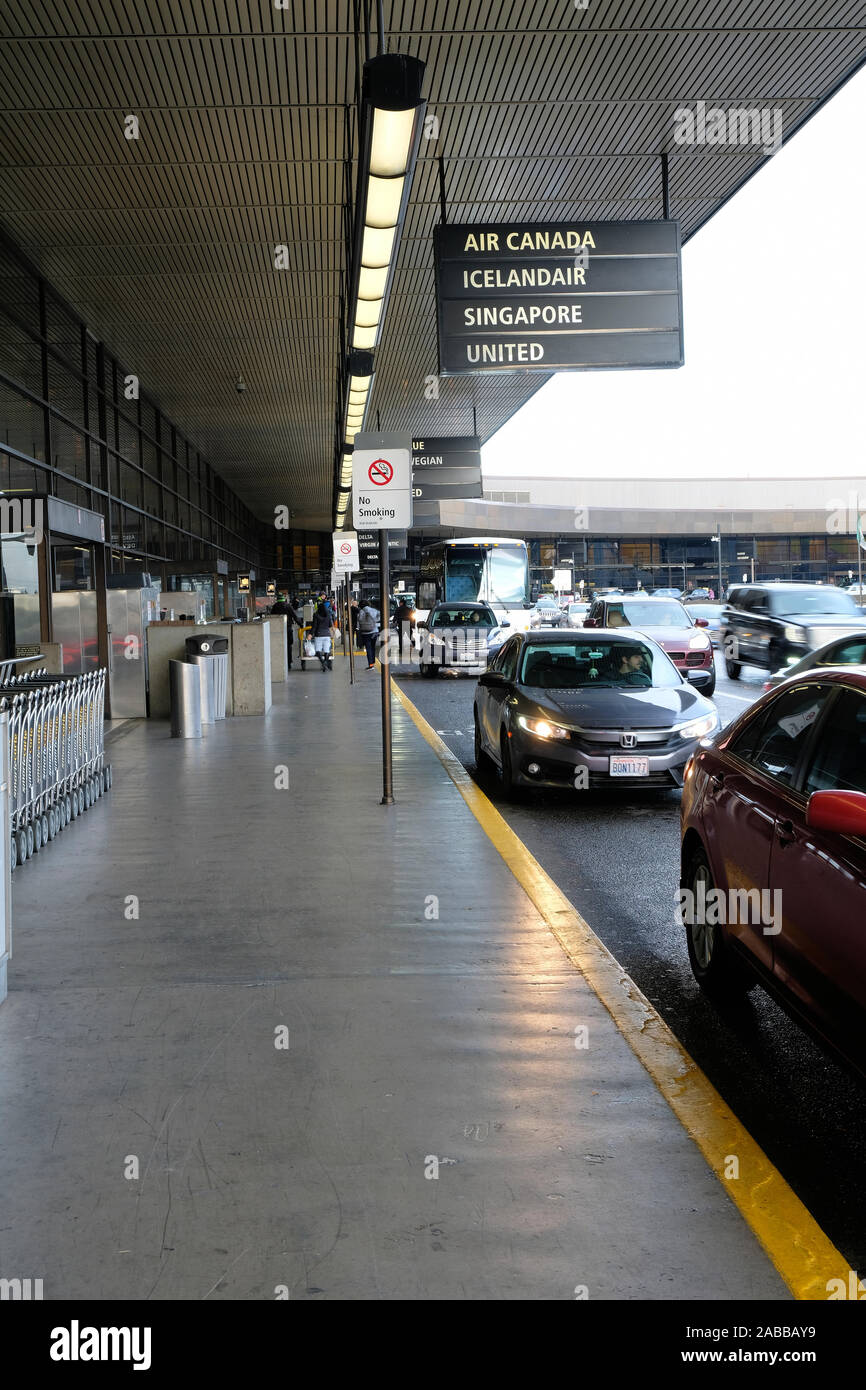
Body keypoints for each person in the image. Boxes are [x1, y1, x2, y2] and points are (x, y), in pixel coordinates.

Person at [311, 596, 335, 672]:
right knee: (327, 651)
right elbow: (331, 625)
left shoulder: (316, 615)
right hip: (327, 635)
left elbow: (314, 626)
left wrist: (311, 634)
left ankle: (323, 663)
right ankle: (325, 662)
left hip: (318, 635)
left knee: (318, 651)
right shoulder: (328, 615)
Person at [357, 599, 379, 670]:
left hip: (365, 633)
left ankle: (371, 664)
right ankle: (373, 662)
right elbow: (379, 616)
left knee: (368, 648)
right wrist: (374, 621)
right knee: (373, 648)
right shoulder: (373, 610)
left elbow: (359, 620)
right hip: (374, 631)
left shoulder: (361, 611)